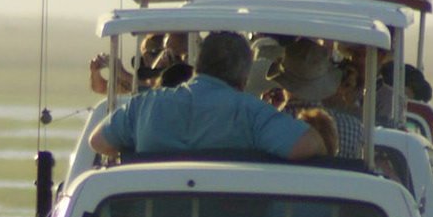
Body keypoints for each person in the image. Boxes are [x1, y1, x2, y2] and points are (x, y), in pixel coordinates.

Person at [88, 30, 325, 160]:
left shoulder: (144, 106)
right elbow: (308, 145)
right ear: (243, 80)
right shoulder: (251, 112)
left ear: (196, 68)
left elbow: (97, 141)